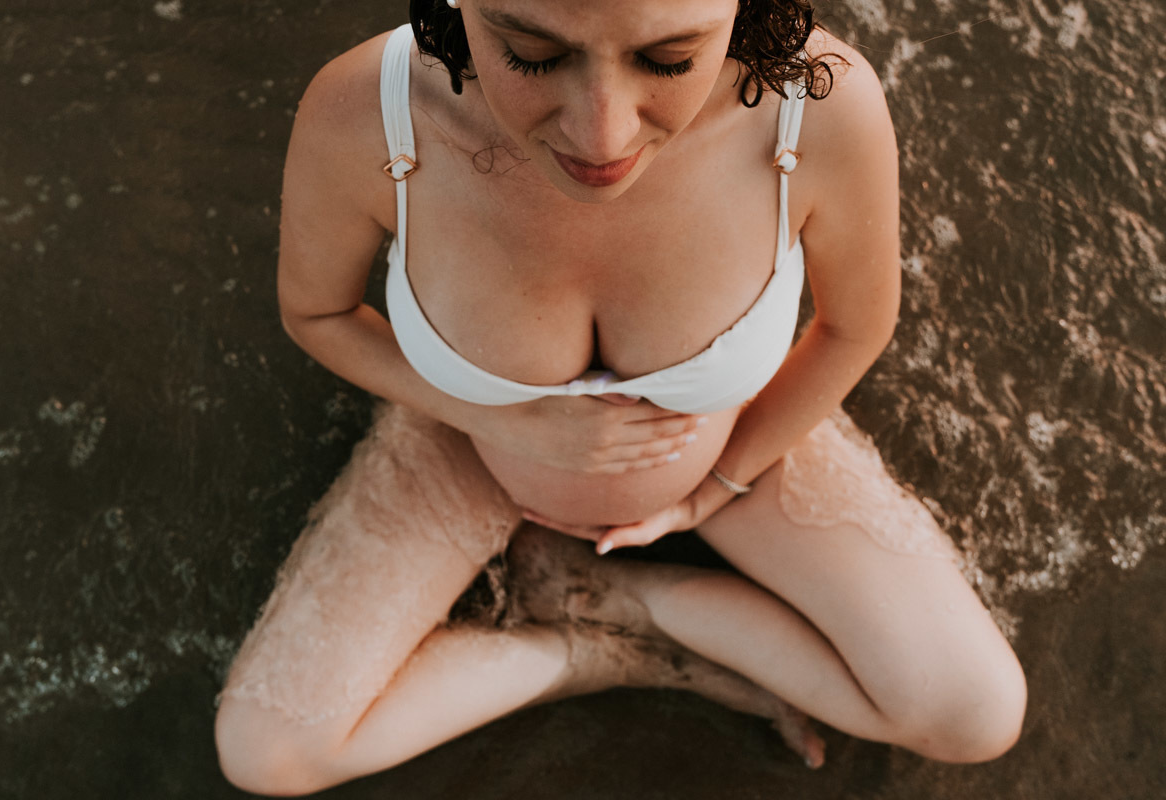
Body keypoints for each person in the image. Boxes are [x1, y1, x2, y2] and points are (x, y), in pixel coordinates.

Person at [214, 0, 1028, 793]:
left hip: (736, 439)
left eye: (669, 59)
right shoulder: (367, 112)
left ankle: (627, 602)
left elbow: (856, 328)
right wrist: (504, 418)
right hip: (463, 449)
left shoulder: (818, 105)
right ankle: (586, 654)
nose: (601, 134)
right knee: (268, 755)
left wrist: (718, 486)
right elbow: (317, 312)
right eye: (532, 55)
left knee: (973, 714)